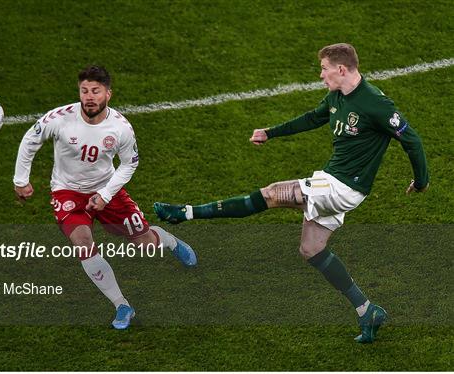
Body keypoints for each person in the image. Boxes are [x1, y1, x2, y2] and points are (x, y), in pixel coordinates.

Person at [154, 43, 429, 343]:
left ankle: (186, 213)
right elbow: (312, 118)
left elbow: (411, 140)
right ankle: (367, 311)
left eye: (324, 68)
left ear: (341, 69)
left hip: (344, 188)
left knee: (272, 194)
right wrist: (270, 132)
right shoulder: (337, 96)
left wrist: (421, 181)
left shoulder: (376, 104)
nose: (321, 75)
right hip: (330, 179)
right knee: (311, 249)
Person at [13, 65, 197, 330]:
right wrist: (21, 180)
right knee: (83, 244)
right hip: (67, 192)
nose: (89, 96)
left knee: (143, 243)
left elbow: (129, 164)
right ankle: (122, 305)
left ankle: (168, 241)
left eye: (95, 91)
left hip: (107, 188)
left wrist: (105, 193)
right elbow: (31, 139)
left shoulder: (120, 128)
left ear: (108, 94)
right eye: (84, 90)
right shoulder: (59, 118)